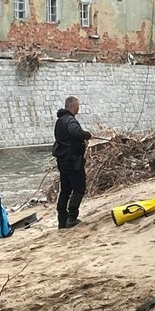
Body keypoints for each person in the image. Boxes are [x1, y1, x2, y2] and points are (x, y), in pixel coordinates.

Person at [52, 96, 92, 229]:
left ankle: (62, 220)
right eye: (78, 105)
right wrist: (87, 135)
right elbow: (75, 132)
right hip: (73, 161)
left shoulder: (59, 121)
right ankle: (72, 218)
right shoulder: (70, 120)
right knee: (79, 188)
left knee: (65, 191)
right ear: (73, 106)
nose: (79, 107)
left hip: (62, 161)